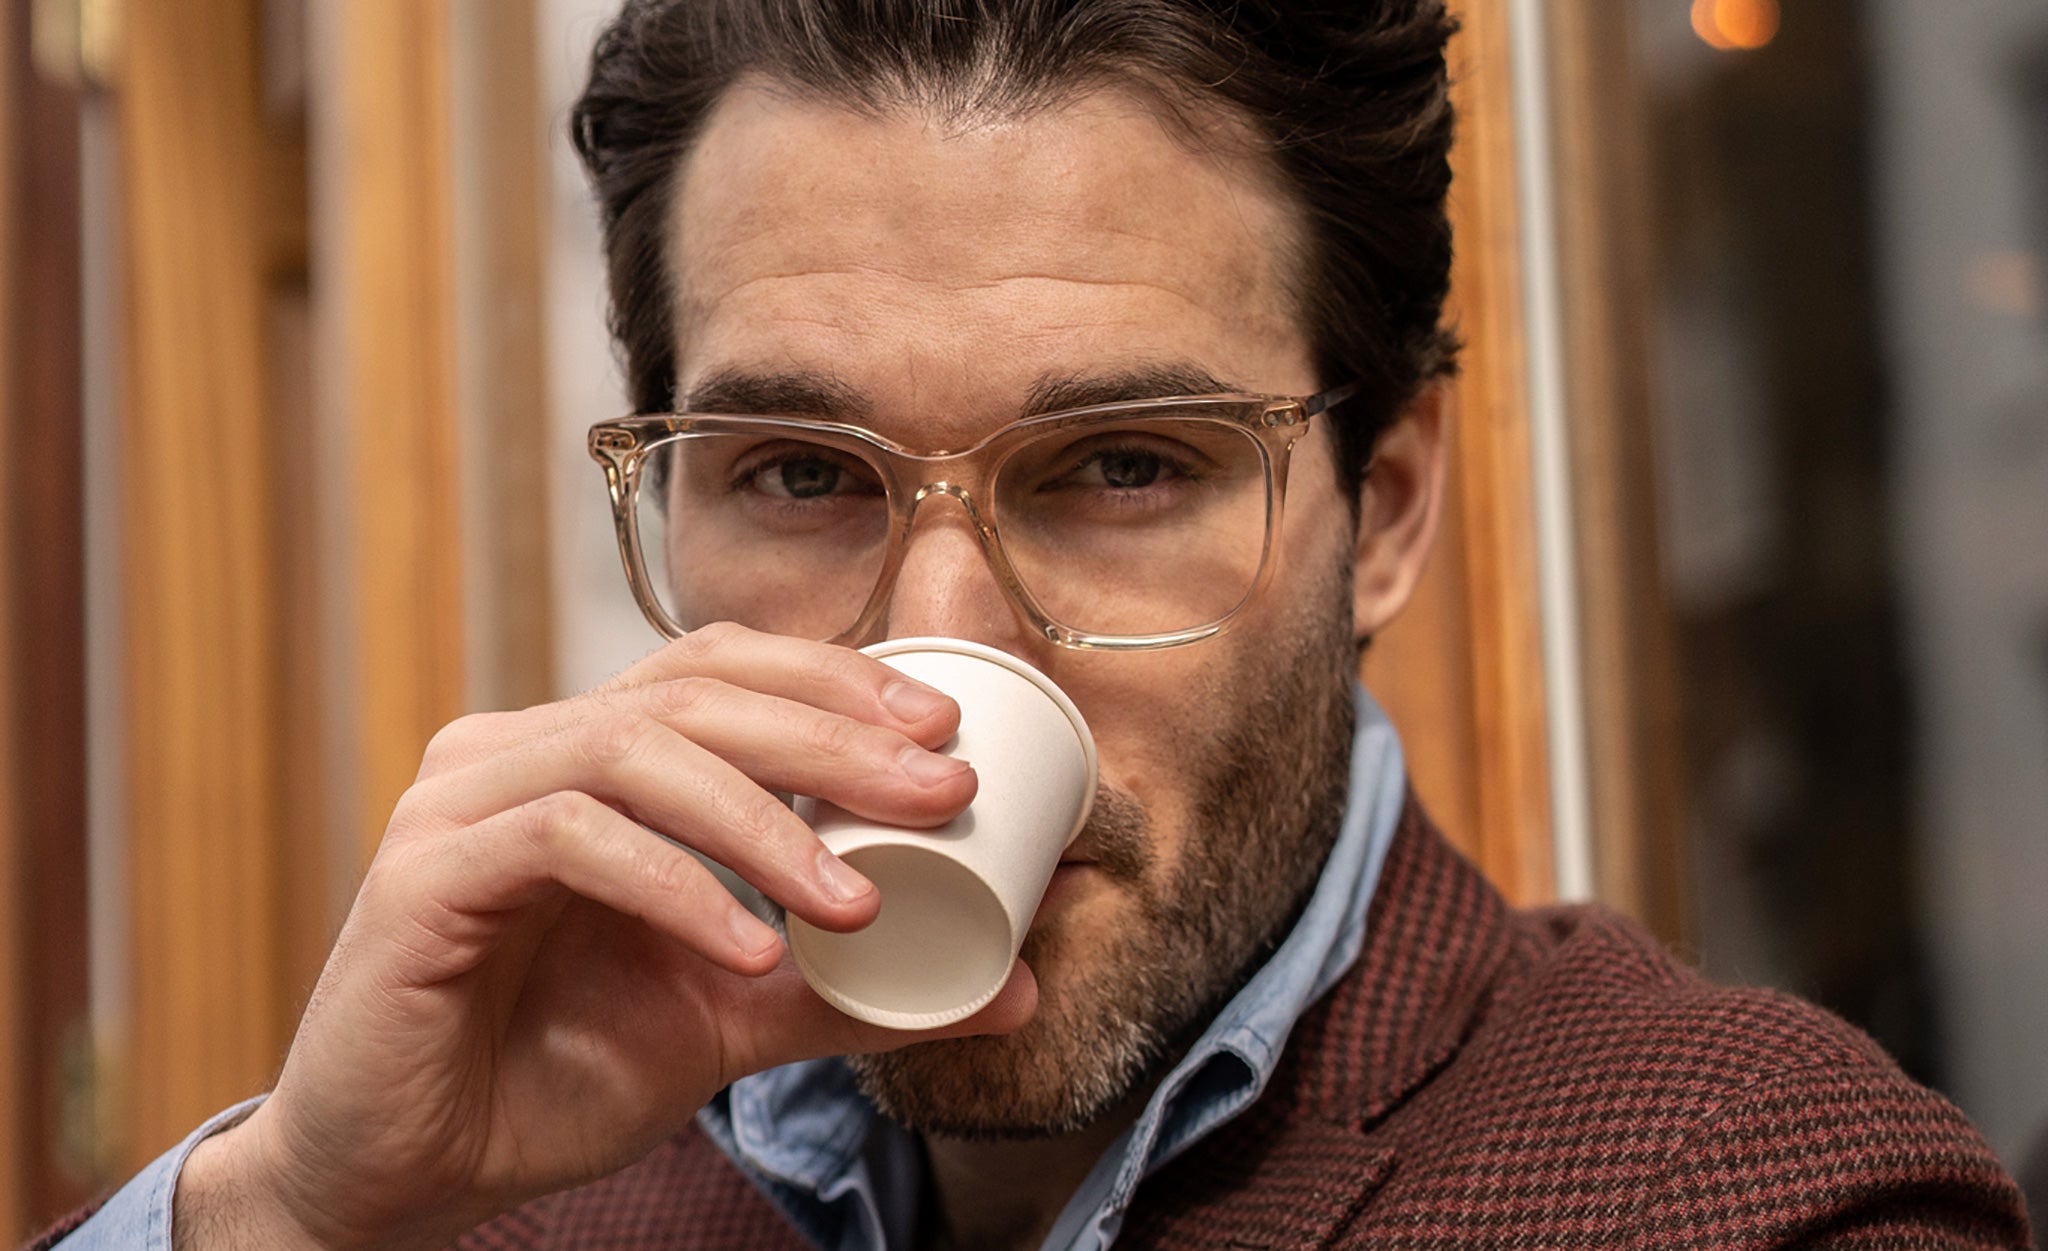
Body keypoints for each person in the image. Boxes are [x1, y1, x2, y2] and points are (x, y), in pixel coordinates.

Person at [33, 1, 2033, 1248]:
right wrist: (283, 1204)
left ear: (1387, 509)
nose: (931, 651)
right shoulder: (476, 1181)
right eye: (800, 474)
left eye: (1122, 468)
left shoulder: (1755, 1196)